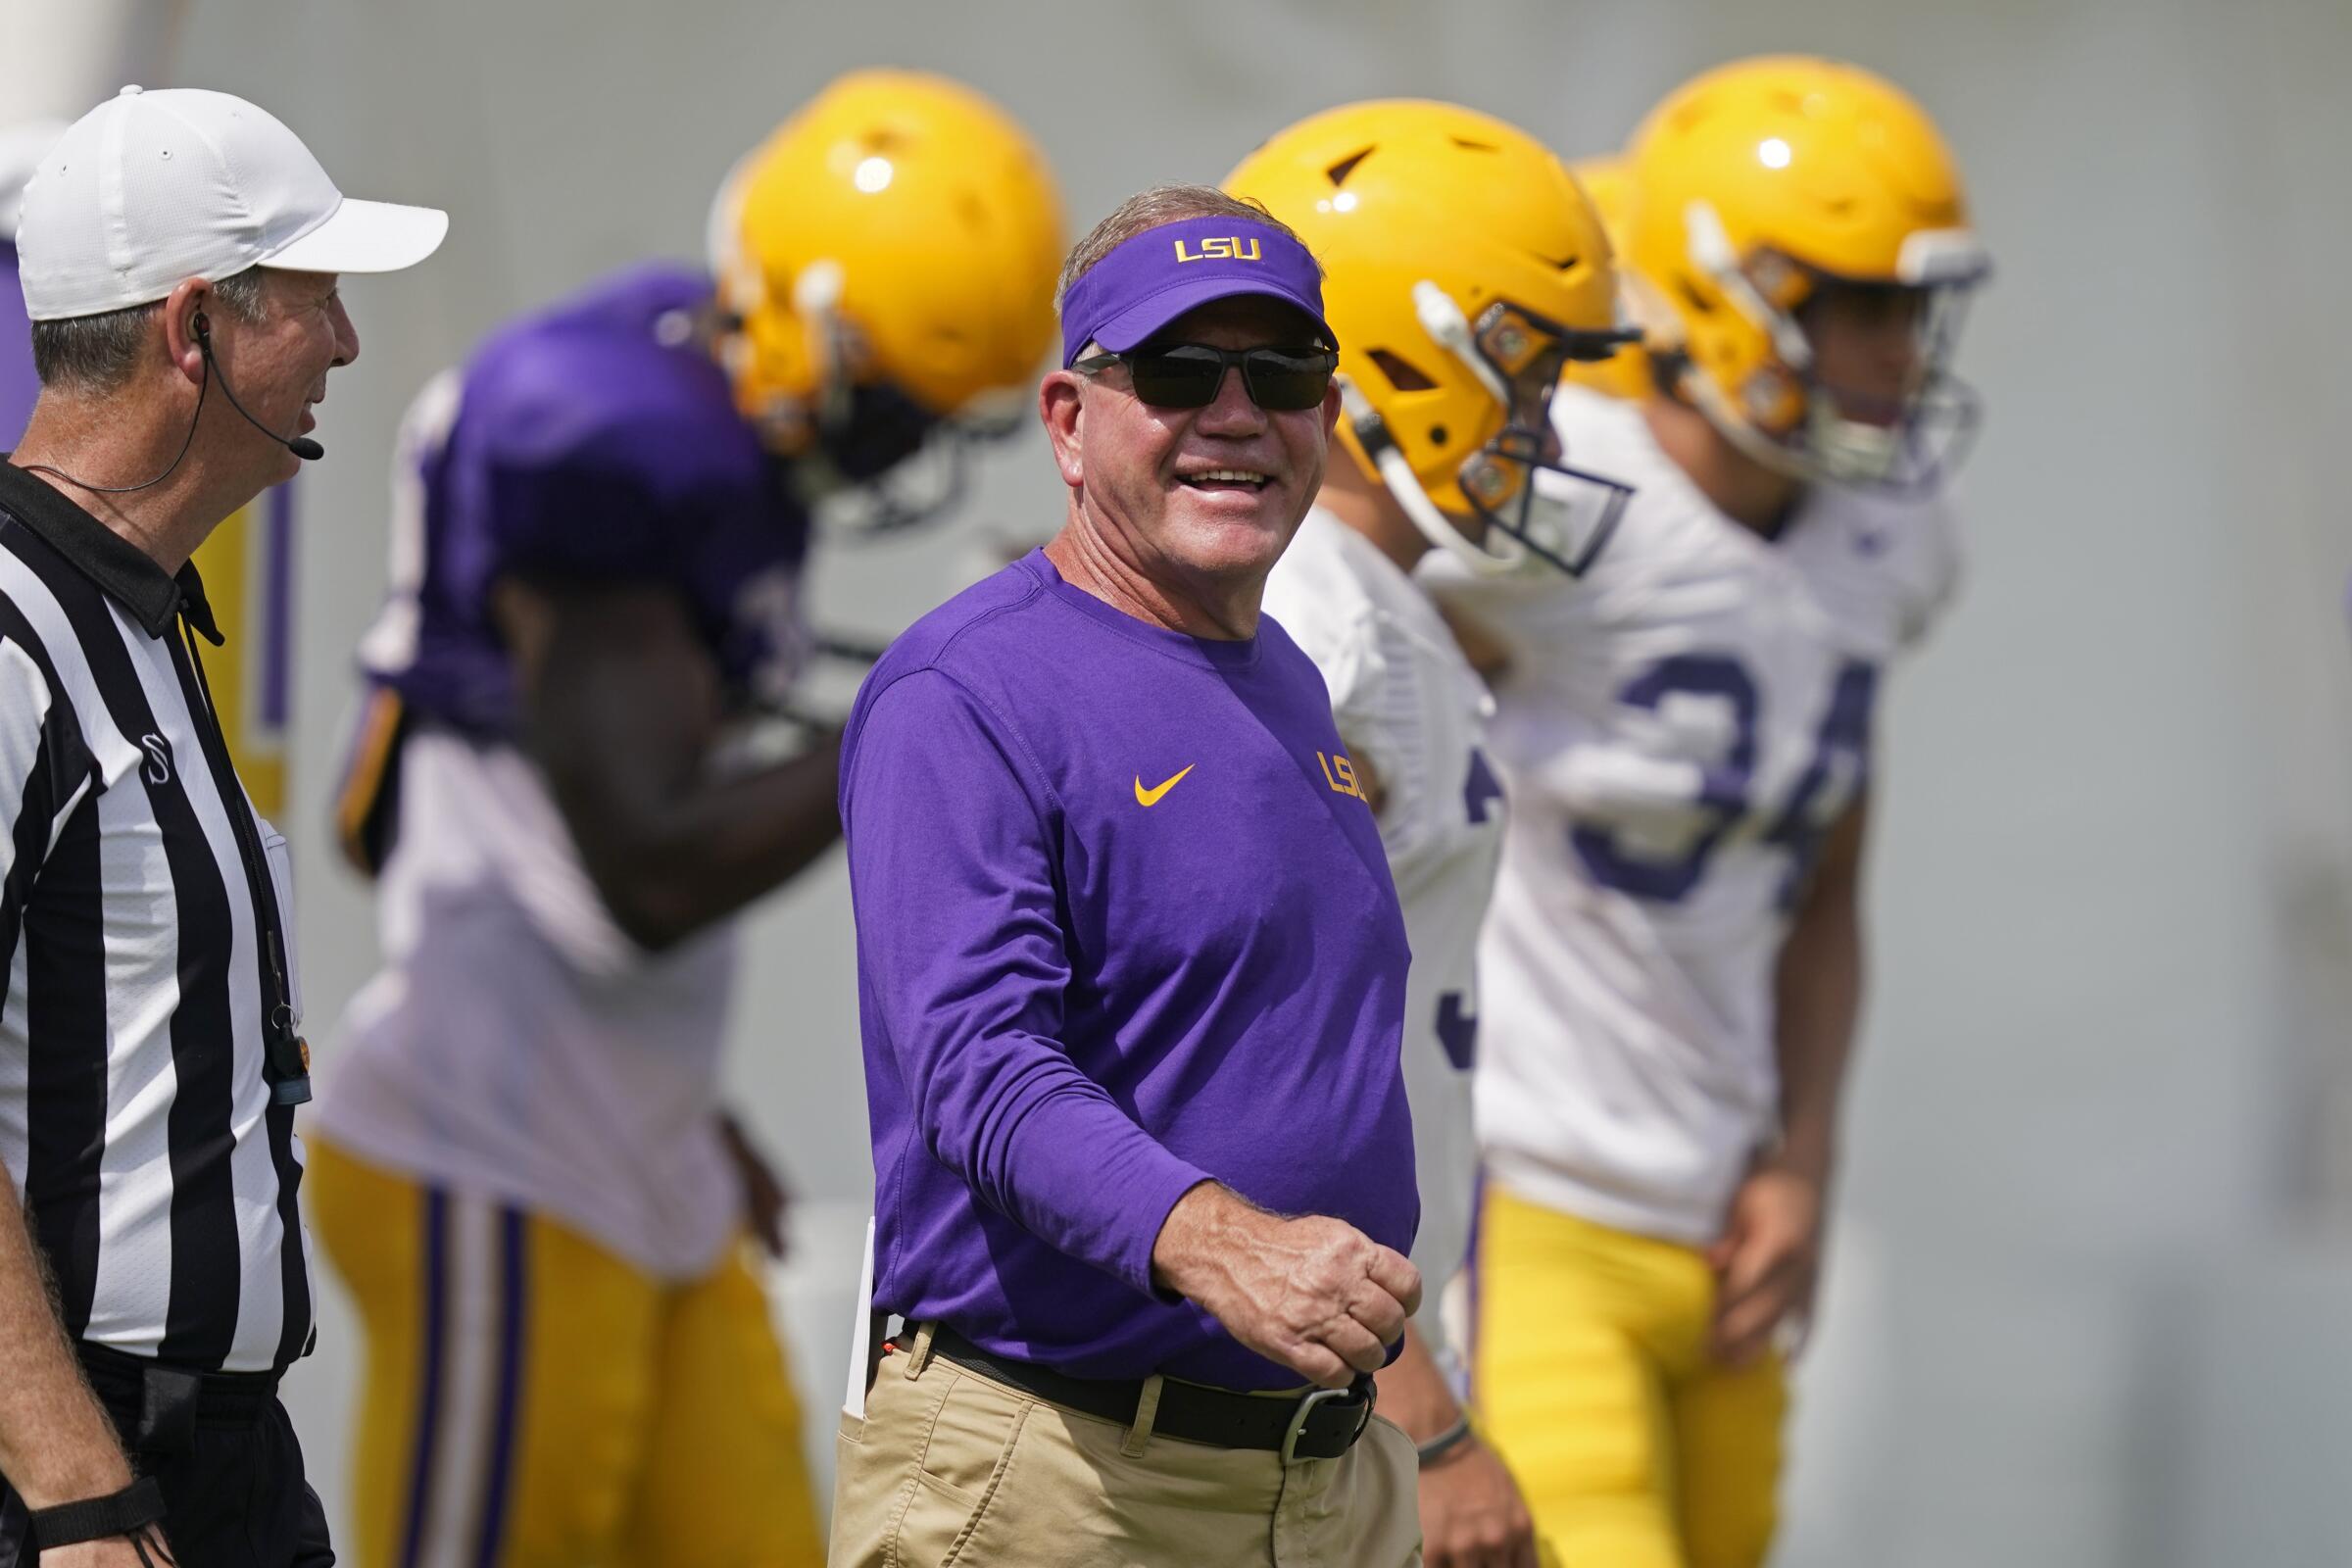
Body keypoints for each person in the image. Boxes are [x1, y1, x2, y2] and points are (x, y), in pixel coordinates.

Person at [304, 70, 1061, 1568]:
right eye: (890, 409)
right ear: (804, 328)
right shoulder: (609, 438)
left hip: (637, 1147)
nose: (901, 457)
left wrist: (683, 1101)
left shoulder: (717, 410)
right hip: (496, 1157)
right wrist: (936, 702)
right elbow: (643, 863)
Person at [1426, 56, 1990, 1568]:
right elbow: (1349, 681)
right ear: (1725, 292)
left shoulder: (1889, 537)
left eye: (1909, 308)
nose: (1895, 349)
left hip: (1727, 1209)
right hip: (1533, 1197)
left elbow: (1826, 890)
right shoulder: (1558, 506)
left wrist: (1806, 1158)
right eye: (1857, 302)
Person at [830, 185, 1425, 1568]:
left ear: (1328, 420)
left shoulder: (1279, 671)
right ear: (1068, 423)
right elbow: (978, 1067)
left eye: (1281, 373)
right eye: (1175, 371)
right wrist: (1221, 1241)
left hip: (1310, 1482)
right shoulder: (963, 688)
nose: (1235, 412)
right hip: (1060, 1480)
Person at [0, 85, 444, 1568]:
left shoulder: (136, 616)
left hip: (218, 1457)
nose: (344, 342)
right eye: (313, 296)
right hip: (73, 1477)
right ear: (195, 331)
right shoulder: (12, 636)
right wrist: (74, 1486)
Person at [1229, 100, 1637, 1568]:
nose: (1546, 421)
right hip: (1258, 1396)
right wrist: (1421, 1407)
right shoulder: (1313, 617)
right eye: (1528, 365)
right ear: (1406, 352)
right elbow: (1231, 1048)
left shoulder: (1352, 600)